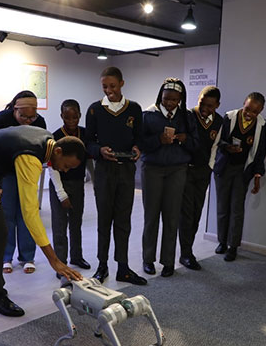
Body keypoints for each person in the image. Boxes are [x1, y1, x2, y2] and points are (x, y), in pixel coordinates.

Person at [0, 125, 84, 316]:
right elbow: (30, 212)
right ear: (58, 151)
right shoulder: (31, 157)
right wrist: (54, 260)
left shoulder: (47, 140)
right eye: (66, 165)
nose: (64, 170)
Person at [85, 66, 147, 285]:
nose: (108, 90)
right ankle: (102, 266)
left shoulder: (134, 109)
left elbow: (139, 137)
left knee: (123, 220)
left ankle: (123, 267)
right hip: (104, 171)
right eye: (104, 86)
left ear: (122, 83)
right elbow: (88, 141)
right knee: (104, 220)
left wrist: (138, 148)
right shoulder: (95, 110)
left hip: (126, 171)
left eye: (112, 86)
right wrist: (99, 151)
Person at [0, 90, 46, 275]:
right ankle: (6, 257)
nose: (27, 121)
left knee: (27, 213)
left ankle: (28, 257)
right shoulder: (0, 120)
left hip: (27, 174)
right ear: (14, 109)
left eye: (31, 117)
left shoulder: (39, 123)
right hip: (5, 173)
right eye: (23, 116)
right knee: (7, 214)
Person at [140, 78, 198, 277]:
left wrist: (185, 139)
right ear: (160, 97)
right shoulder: (149, 115)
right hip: (152, 169)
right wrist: (159, 139)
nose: (170, 103)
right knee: (151, 216)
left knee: (172, 216)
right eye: (166, 99)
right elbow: (140, 143)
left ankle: (168, 261)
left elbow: (196, 144)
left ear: (180, 99)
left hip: (177, 169)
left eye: (174, 100)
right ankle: (148, 259)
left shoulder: (187, 117)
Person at [213, 92, 266, 262]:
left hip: (243, 170)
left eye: (255, 112)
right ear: (243, 103)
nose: (249, 114)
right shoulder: (229, 117)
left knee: (237, 209)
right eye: (247, 109)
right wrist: (228, 147)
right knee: (222, 206)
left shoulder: (261, 124)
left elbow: (260, 151)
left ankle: (233, 246)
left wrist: (258, 176)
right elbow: (218, 140)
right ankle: (222, 242)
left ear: (261, 111)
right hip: (224, 167)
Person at [178, 86, 223, 271]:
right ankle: (186, 253)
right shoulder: (188, 115)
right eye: (202, 103)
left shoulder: (219, 121)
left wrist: (210, 167)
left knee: (197, 212)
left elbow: (216, 146)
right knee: (187, 213)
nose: (205, 108)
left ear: (217, 105)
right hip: (186, 170)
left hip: (203, 172)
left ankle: (188, 250)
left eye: (210, 106)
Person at [48, 99, 91, 277]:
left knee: (76, 222)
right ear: (61, 116)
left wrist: (94, 183)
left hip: (78, 183)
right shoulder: (55, 136)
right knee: (59, 225)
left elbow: (89, 161)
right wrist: (61, 194)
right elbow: (52, 167)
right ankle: (61, 262)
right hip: (59, 184)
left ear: (80, 115)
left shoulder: (85, 134)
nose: (71, 121)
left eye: (75, 117)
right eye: (67, 117)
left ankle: (76, 256)